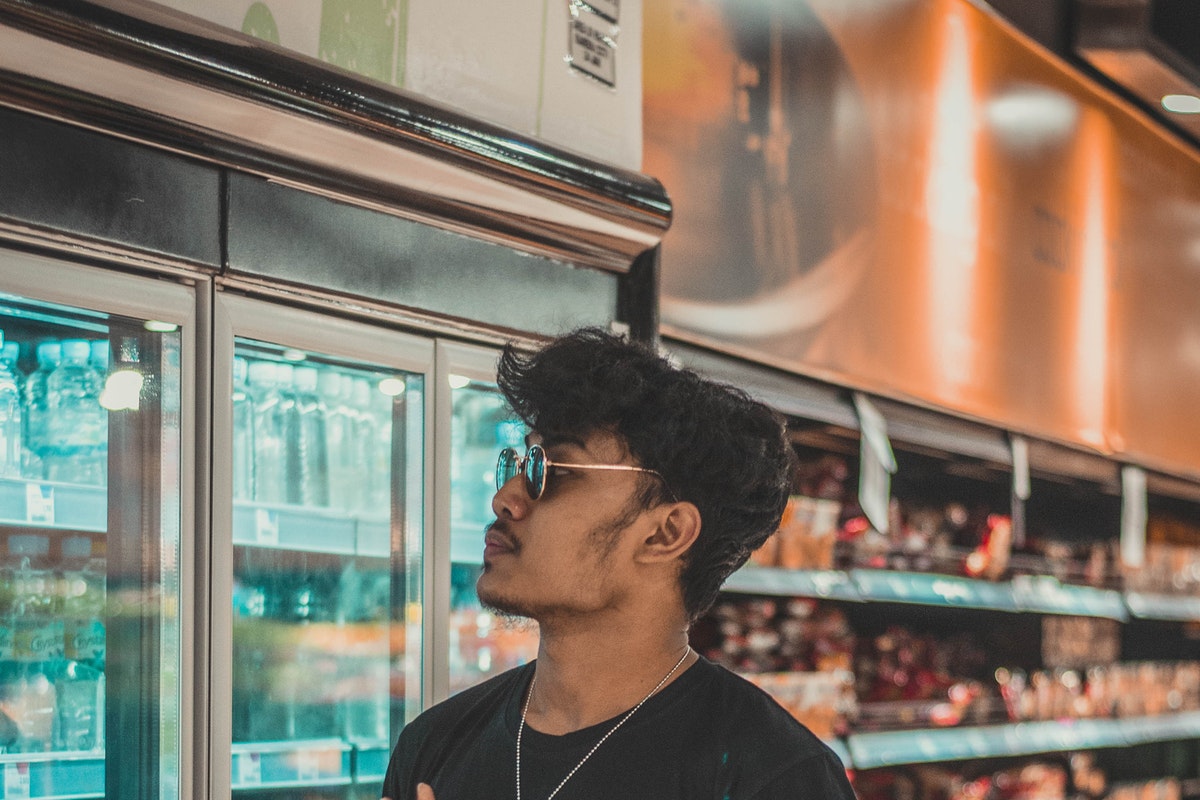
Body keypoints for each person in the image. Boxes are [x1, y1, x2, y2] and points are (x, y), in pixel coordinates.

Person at [381, 328, 857, 800]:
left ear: (665, 533)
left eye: (553, 472)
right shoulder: (433, 747)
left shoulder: (774, 776)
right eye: (522, 462)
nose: (505, 498)